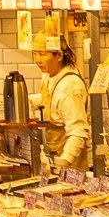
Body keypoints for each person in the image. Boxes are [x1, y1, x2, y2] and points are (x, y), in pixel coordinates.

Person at [35, 39, 91, 170]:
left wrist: (65, 161)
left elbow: (78, 131)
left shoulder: (70, 86)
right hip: (57, 154)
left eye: (42, 54)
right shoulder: (49, 75)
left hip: (74, 161)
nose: (37, 60)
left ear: (59, 55)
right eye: (35, 54)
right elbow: (48, 100)